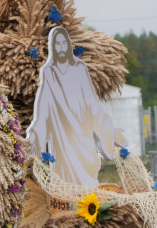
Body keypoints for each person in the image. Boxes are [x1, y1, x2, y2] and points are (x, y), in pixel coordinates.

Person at [26, 26, 122, 187]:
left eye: (64, 44)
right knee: (66, 182)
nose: (61, 48)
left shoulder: (79, 68)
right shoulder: (49, 72)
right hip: (62, 136)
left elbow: (92, 103)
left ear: (69, 46)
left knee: (88, 177)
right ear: (53, 47)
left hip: (82, 131)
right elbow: (43, 108)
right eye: (57, 44)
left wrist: (108, 130)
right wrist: (34, 137)